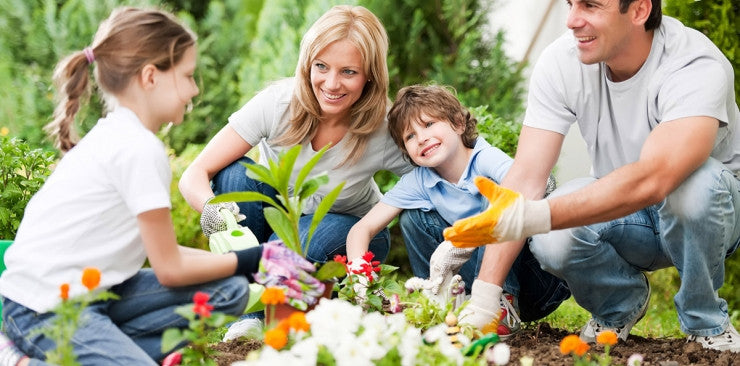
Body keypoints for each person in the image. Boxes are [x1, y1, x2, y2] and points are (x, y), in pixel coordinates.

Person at [0, 7, 317, 365]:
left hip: (95, 295)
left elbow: (169, 254)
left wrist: (250, 264)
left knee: (229, 291)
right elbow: (169, 268)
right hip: (41, 311)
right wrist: (260, 257)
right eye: (187, 76)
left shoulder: (121, 134)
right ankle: (20, 358)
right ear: (151, 77)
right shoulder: (138, 149)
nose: (194, 89)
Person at [441, 0, 740, 353]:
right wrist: (485, 296)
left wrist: (534, 216)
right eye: (570, 4)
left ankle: (707, 324)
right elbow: (525, 178)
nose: (571, 20)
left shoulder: (693, 64)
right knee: (553, 237)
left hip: (708, 212)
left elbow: (656, 178)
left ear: (640, 10)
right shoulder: (562, 61)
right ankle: (620, 304)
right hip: (625, 213)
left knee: (693, 189)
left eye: (590, 6)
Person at [178, 5, 411, 265]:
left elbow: (425, 180)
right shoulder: (278, 104)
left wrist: (378, 218)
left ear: (370, 75)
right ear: (307, 64)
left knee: (288, 247)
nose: (332, 84)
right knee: (233, 174)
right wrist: (214, 210)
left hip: (351, 232)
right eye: (321, 66)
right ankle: (253, 275)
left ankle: (259, 285)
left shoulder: (383, 127)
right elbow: (194, 174)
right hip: (279, 221)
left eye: (348, 72)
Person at [346, 84, 570, 337]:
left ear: (458, 124)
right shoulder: (420, 180)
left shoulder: (485, 158)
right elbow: (361, 229)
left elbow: (529, 189)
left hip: (536, 281)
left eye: (429, 124)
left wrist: (462, 243)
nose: (421, 138)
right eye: (409, 136)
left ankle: (501, 304)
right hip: (476, 285)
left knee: (500, 194)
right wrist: (360, 276)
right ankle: (438, 301)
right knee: (412, 218)